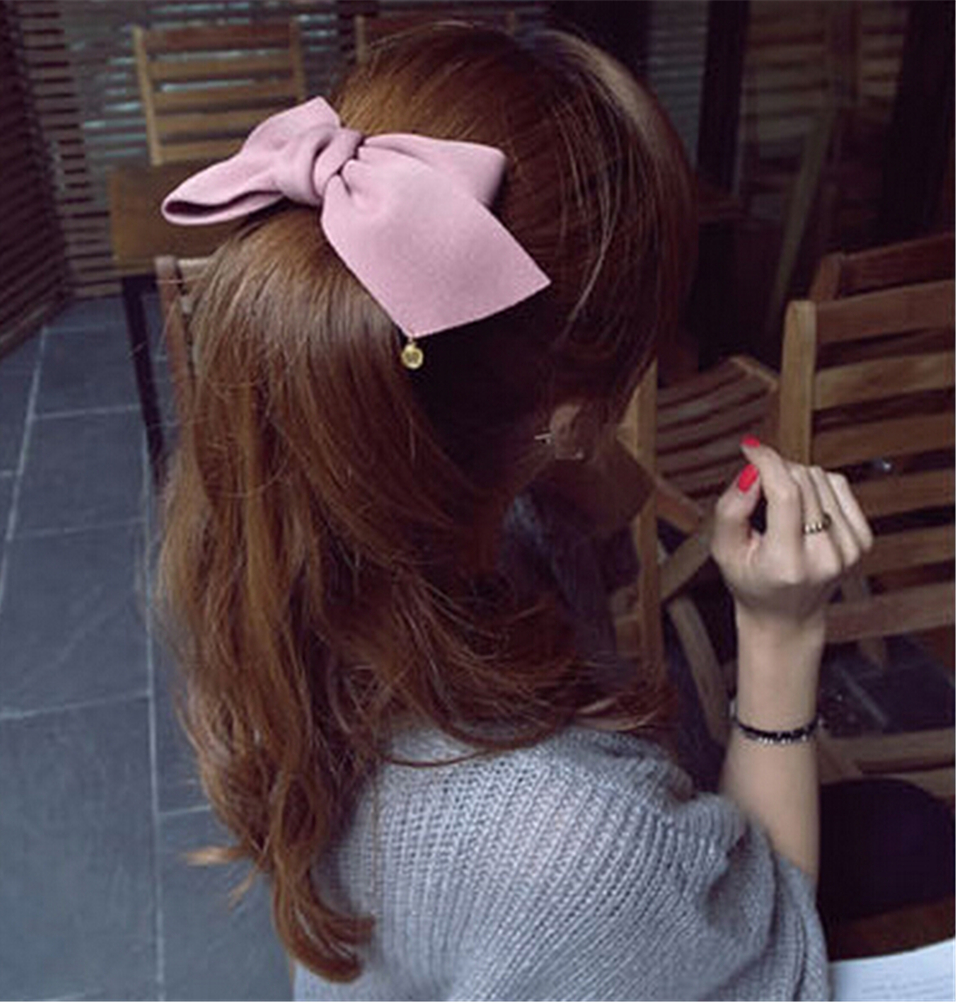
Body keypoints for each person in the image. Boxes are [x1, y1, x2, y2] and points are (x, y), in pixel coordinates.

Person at [154, 23, 943, 1001]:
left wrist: (559, 427)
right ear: (571, 416)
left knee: (904, 828)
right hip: (571, 910)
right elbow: (771, 951)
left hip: (429, 945)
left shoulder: (290, 539)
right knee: (912, 839)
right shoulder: (584, 841)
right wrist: (782, 633)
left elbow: (597, 500)